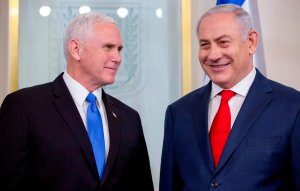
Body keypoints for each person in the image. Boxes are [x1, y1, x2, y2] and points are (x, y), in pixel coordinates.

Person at [0, 12, 154, 191]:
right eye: (108, 47)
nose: (118, 58)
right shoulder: (24, 107)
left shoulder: (129, 118)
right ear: (75, 49)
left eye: (119, 49)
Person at [160, 4, 300, 191]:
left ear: (251, 42)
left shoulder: (292, 107)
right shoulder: (178, 112)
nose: (213, 54)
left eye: (223, 42)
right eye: (205, 44)